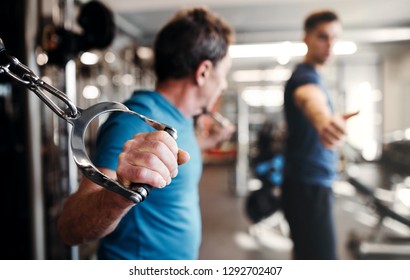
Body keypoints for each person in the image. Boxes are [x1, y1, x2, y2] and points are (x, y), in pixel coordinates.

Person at [57, 6, 235, 260]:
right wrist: (120, 195)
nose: (224, 84)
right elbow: (70, 227)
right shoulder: (135, 122)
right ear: (204, 71)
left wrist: (209, 142)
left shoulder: (179, 118)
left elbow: (177, 163)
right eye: (224, 74)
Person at [282, 10, 358, 259]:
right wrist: (323, 120)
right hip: (307, 186)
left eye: (335, 38)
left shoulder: (317, 77)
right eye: (323, 37)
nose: (330, 45)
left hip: (311, 183)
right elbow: (309, 98)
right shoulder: (305, 76)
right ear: (307, 38)